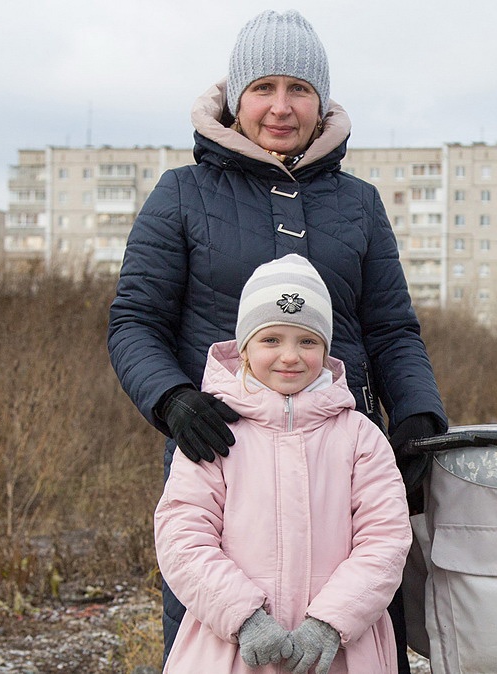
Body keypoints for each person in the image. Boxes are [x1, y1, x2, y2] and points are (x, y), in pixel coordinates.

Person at [107, 9, 447, 670]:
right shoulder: (180, 195)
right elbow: (135, 322)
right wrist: (173, 400)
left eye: (300, 90)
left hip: (341, 471)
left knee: (355, 638)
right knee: (223, 641)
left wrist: (416, 417)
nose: (281, 107)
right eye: (263, 88)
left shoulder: (359, 204)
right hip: (225, 466)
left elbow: (392, 329)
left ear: (322, 103)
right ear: (236, 99)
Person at [155, 255, 412, 673]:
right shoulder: (215, 433)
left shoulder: (361, 437)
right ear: (243, 348)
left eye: (307, 341)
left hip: (341, 653)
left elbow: (386, 540)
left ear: (326, 351)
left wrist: (332, 621)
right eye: (271, 339)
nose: (290, 356)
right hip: (230, 651)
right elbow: (182, 537)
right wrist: (243, 616)